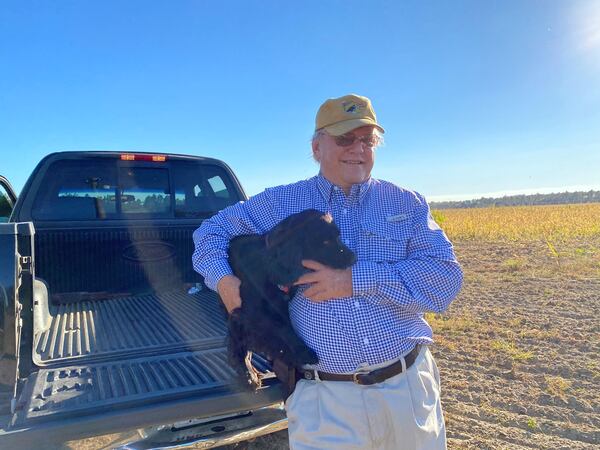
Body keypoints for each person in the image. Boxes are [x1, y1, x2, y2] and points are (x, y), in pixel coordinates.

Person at [192, 94, 463, 449]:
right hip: (323, 397)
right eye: (344, 139)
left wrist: (354, 281)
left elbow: (445, 278)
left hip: (406, 388)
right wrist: (225, 283)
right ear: (317, 147)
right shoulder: (280, 202)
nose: (358, 149)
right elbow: (209, 234)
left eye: (367, 140)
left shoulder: (405, 203)